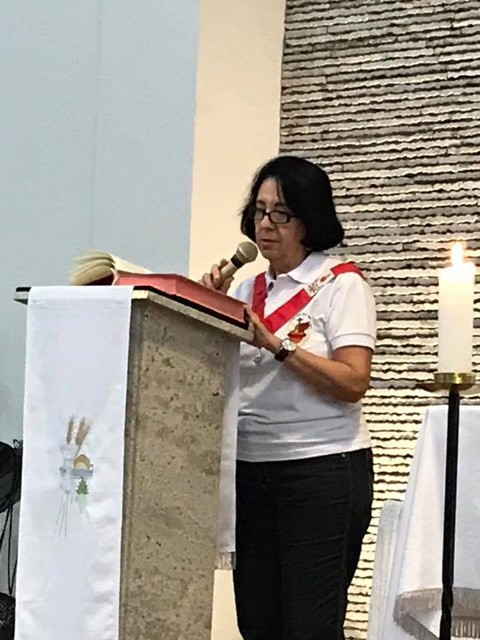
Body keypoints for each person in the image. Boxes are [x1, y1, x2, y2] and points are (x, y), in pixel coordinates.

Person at [201, 155, 376, 640]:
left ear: (309, 220)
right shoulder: (245, 288)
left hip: (321, 470)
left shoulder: (341, 284)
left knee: (309, 628)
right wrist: (208, 306)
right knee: (258, 624)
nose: (265, 225)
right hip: (251, 468)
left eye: (281, 213)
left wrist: (278, 346)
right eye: (259, 211)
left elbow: (353, 381)